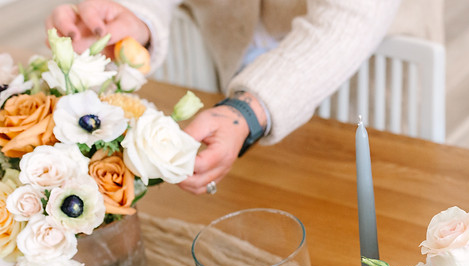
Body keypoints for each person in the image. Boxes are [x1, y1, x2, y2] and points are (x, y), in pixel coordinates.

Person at [45, 0, 442, 195]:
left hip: (366, 62)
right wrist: (134, 13)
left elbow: (349, 19)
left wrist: (245, 112)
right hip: (238, 56)